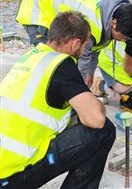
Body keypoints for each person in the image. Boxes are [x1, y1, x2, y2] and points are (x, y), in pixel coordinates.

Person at [0, 11, 115, 188]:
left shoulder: (31, 57)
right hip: (11, 176)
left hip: (4, 166)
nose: (84, 51)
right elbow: (96, 120)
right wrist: (95, 103)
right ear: (76, 43)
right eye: (84, 46)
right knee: (104, 131)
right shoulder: (61, 63)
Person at [16, 0, 132, 87]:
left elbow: (96, 48)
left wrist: (90, 73)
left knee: (64, 66)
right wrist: (80, 87)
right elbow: (83, 57)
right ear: (114, 23)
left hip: (58, 5)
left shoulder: (115, 10)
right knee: (50, 60)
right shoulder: (91, 23)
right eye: (124, 37)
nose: (123, 41)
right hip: (38, 8)